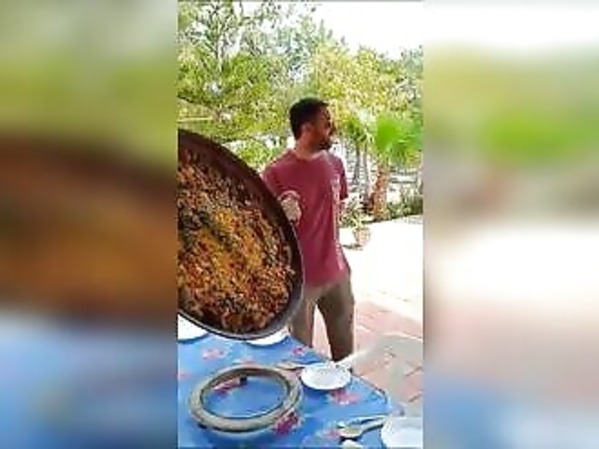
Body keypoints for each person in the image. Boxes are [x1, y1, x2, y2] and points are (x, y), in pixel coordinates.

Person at [262, 98, 354, 361]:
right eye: (327, 123)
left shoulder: (336, 164)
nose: (333, 128)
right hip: (299, 281)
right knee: (301, 355)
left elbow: (337, 209)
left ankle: (347, 387)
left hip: (338, 273)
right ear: (306, 129)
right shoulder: (275, 173)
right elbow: (263, 231)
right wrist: (279, 215)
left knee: (346, 354)